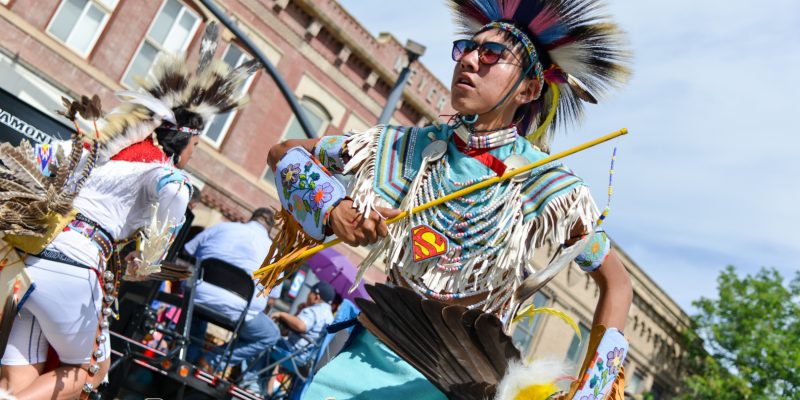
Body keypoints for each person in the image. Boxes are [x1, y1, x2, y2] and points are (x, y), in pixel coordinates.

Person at [261, 0, 633, 399]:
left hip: (463, 381)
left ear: (528, 88)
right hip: (362, 366)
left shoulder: (547, 185)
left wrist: (592, 390)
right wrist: (333, 207)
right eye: (466, 48)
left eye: (492, 54)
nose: (470, 61)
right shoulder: (401, 148)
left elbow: (617, 283)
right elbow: (284, 153)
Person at [0, 23, 257, 399]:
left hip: (27, 262)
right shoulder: (160, 168)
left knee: (15, 384)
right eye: (196, 149)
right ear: (185, 142)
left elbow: (42, 155)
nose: (192, 157)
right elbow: (176, 189)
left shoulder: (98, 148)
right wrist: (152, 256)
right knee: (90, 368)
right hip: (75, 269)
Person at [184, 208, 281, 371]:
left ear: (251, 217)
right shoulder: (275, 253)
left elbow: (187, 251)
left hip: (197, 295)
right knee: (271, 335)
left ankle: (188, 354)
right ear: (271, 228)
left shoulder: (222, 227)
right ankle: (211, 361)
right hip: (239, 311)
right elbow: (271, 300)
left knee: (198, 308)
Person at [240, 281, 335, 395]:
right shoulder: (329, 316)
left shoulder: (315, 310)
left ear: (316, 297)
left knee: (261, 339)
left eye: (310, 292)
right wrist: (298, 312)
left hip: (293, 353)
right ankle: (262, 388)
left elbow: (301, 325)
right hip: (306, 360)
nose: (307, 295)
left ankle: (251, 385)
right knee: (272, 346)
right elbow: (288, 332)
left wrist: (282, 315)